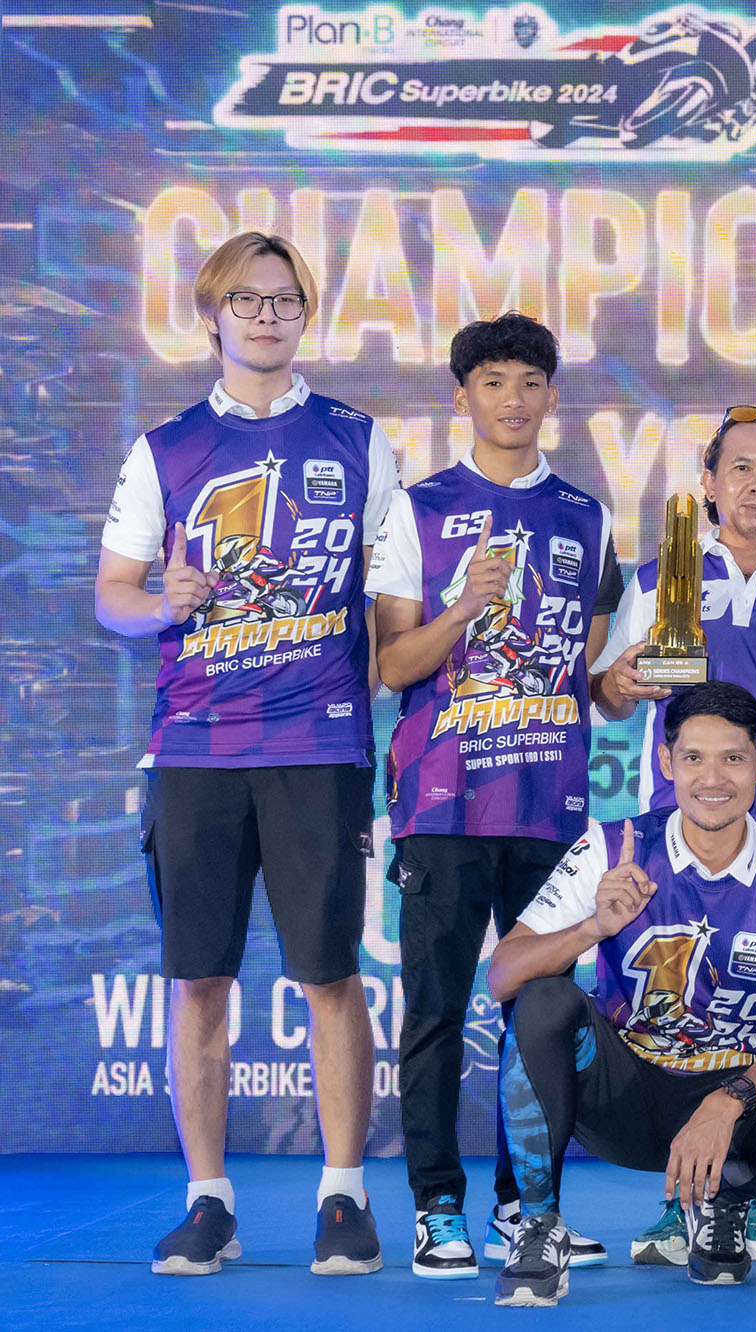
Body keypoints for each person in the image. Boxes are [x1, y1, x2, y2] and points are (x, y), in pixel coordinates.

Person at [95, 231, 399, 1277]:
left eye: (285, 300)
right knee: (199, 981)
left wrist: (378, 691)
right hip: (195, 750)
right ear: (211, 316)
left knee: (330, 976)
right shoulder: (166, 448)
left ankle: (344, 1197)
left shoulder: (359, 440)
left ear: (305, 314)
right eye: (247, 300)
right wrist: (160, 602)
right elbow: (112, 594)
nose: (268, 317)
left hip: (318, 746)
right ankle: (209, 1203)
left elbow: (390, 594)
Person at [365, 311, 622, 1278]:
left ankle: (528, 1210)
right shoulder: (417, 510)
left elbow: (588, 673)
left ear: (553, 395)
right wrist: (465, 607)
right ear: (461, 396)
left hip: (549, 803)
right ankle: (438, 1209)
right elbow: (393, 665)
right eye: (493, 382)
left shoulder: (588, 514)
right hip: (442, 802)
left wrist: (622, 683)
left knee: (542, 1011)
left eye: (529, 382)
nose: (513, 400)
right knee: (435, 1010)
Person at [483, 683, 756, 1306]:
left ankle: (723, 1203)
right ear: (666, 762)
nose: (713, 778)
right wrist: (593, 927)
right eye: (694, 757)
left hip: (733, 1103)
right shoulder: (608, 848)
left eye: (733, 758)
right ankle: (538, 1225)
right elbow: (502, 975)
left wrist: (727, 1102)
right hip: (627, 1095)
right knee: (543, 1001)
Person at [592, 404, 756, 1269]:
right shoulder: (660, 575)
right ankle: (684, 1203)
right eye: (741, 467)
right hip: (678, 840)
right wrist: (620, 681)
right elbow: (612, 698)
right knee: (685, 1017)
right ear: (708, 482)